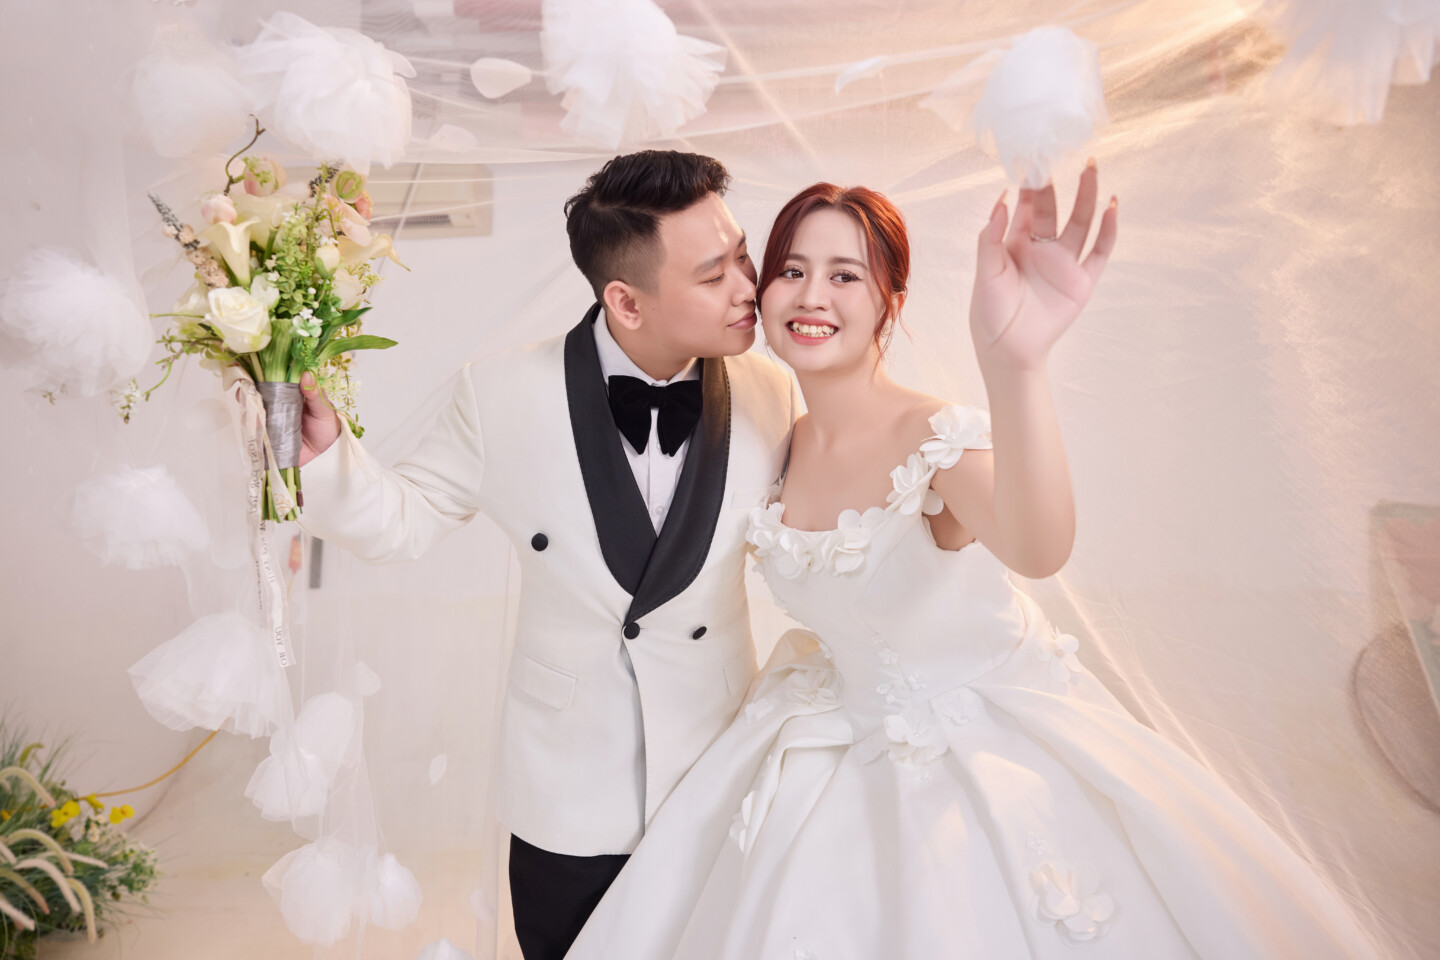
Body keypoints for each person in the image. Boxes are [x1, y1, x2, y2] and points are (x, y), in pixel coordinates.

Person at [565, 169, 1382, 958]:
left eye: (845, 275)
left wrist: (1016, 365)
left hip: (976, 753)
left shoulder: (935, 441)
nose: (812, 296)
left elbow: (1038, 547)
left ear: (890, 300)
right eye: (791, 271)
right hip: (830, 736)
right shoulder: (779, 436)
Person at [293, 150, 800, 960]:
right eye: (715, 274)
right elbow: (403, 522)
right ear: (625, 300)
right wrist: (326, 457)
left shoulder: (774, 391)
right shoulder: (499, 393)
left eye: (743, 255)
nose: (750, 286)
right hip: (568, 786)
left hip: (717, 768)